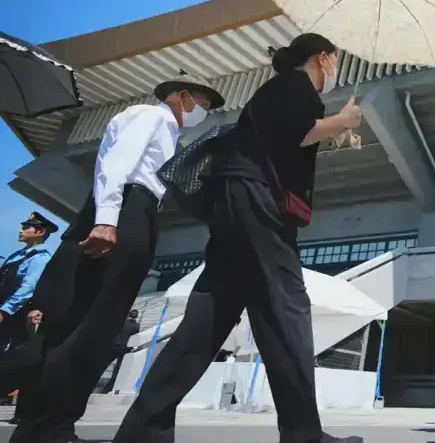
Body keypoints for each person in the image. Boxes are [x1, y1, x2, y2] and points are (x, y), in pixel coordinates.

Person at [112, 33, 365, 443]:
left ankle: (142, 430)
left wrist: (332, 134)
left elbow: (283, 140)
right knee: (287, 310)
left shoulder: (276, 91)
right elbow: (298, 132)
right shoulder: (296, 85)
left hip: (235, 203)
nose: (335, 68)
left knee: (207, 320)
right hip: (257, 202)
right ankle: (303, 434)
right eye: (334, 59)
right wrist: (343, 120)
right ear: (322, 57)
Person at [11, 73, 223, 443]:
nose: (203, 112)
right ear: (181, 96)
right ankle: (47, 429)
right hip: (125, 209)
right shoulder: (150, 116)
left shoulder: (169, 132)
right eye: (202, 104)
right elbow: (115, 165)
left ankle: (50, 426)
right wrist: (108, 219)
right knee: (87, 328)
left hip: (138, 213)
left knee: (94, 329)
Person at [0, 213, 57, 351]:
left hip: (11, 316)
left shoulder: (40, 258)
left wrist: (4, 311)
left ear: (40, 232)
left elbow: (27, 288)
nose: (21, 230)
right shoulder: (17, 255)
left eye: (26, 227)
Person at [104, 309, 141, 393]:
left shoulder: (121, 322)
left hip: (115, 346)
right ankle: (109, 388)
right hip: (126, 348)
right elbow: (135, 338)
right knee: (118, 368)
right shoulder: (136, 326)